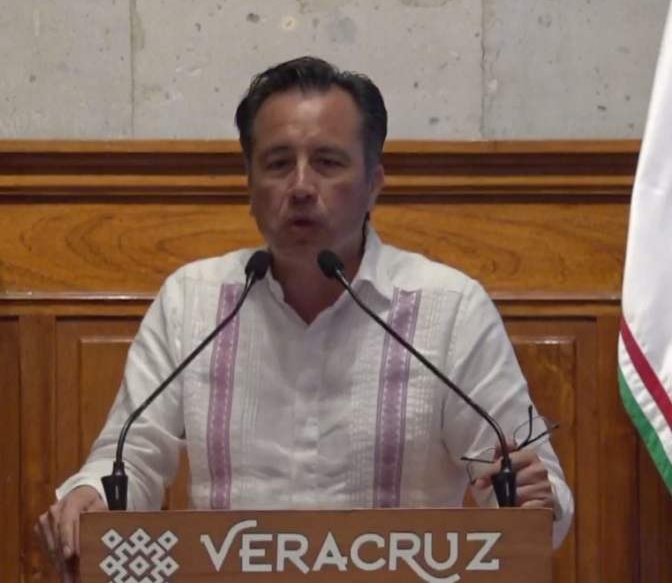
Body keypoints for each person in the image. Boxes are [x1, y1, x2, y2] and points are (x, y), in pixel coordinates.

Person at [37, 56, 574, 577]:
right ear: (250, 185)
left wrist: (532, 497)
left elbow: (534, 502)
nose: (299, 186)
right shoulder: (191, 302)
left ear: (374, 183)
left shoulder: (449, 308)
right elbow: (130, 459)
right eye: (277, 164)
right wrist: (89, 497)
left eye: (328, 163)